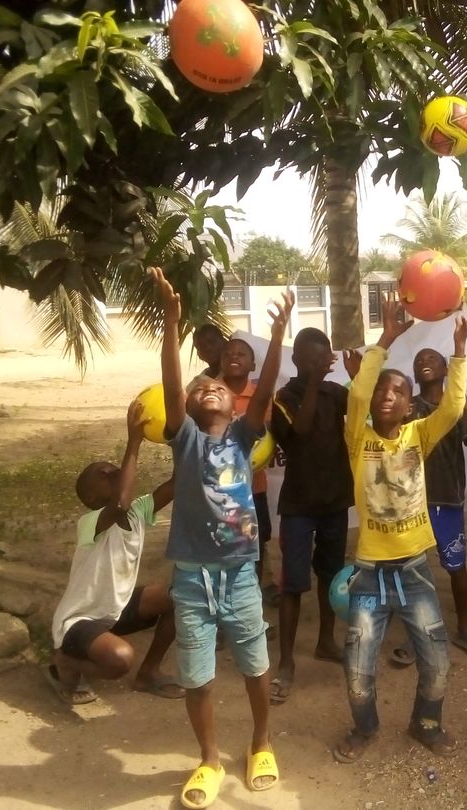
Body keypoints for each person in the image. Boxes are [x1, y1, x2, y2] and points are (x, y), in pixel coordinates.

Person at [152, 266, 293, 809]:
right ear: (188, 406)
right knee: (198, 676)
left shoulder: (244, 436)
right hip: (192, 579)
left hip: (239, 574)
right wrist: (171, 323)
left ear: (236, 403)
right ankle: (210, 758)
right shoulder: (185, 439)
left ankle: (261, 743)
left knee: (255, 666)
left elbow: (268, 387)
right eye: (201, 388)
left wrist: (277, 337)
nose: (210, 387)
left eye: (219, 388)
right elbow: (172, 385)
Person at [333, 294, 467, 764]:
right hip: (369, 574)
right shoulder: (358, 438)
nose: (387, 396)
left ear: (409, 405)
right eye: (382, 390)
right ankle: (365, 727)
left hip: (414, 569)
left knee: (437, 661)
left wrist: (460, 352)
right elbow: (357, 394)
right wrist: (387, 339)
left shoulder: (420, 434)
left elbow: (453, 408)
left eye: (398, 392)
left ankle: (426, 723)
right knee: (358, 669)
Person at [47, 400, 181, 705]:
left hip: (114, 612)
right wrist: (134, 441)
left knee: (181, 596)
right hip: (78, 622)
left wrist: (175, 435)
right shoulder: (89, 523)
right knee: (120, 659)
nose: (112, 470)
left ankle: (149, 673)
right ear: (91, 497)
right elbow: (119, 504)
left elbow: (177, 481)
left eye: (113, 468)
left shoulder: (137, 512)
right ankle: (66, 661)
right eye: (103, 473)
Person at [268, 327, 354, 704]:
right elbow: (299, 432)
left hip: (334, 499)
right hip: (299, 505)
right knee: (293, 582)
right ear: (297, 360)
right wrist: (316, 383)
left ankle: (326, 642)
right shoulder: (284, 398)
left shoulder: (336, 393)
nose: (322, 363)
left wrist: (361, 376)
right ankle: (286, 661)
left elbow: (363, 407)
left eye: (326, 357)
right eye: (314, 358)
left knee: (331, 576)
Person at [390, 346, 467, 664]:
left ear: (446, 370)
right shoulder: (411, 408)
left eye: (431, 358)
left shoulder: (454, 407)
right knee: (410, 569)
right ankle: (413, 634)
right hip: (412, 501)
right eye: (419, 360)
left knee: (456, 567)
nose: (424, 362)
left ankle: (463, 626)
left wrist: (466, 407)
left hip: (447, 499)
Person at [221, 337, 276, 604]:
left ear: (253, 365)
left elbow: (267, 438)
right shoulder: (208, 394)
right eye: (229, 353)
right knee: (223, 548)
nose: (234, 356)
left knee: (255, 546)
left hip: (254, 490)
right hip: (219, 493)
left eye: (241, 354)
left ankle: (251, 601)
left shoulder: (260, 397)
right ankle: (223, 605)